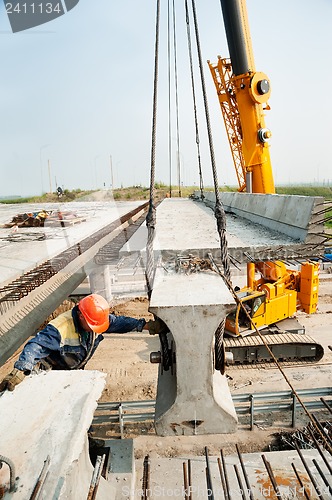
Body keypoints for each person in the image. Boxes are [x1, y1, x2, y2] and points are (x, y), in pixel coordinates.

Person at [0, 294, 163, 392]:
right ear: (80, 316)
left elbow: (120, 322)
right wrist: (21, 369)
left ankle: (89, 442)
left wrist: (146, 326)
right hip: (54, 374)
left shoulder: (96, 320)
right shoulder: (60, 328)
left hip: (75, 370)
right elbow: (36, 345)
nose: (95, 330)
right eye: (93, 326)